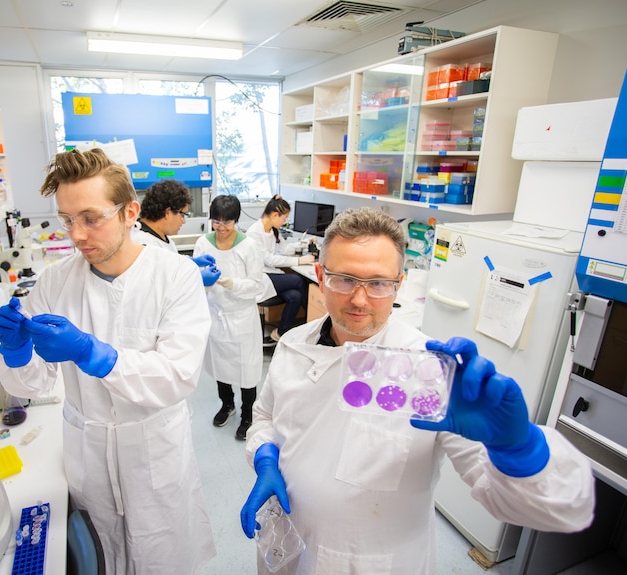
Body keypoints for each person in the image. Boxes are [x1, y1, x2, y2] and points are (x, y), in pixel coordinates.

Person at [239, 206, 594, 574]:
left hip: (365, 561)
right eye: (344, 279)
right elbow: (265, 414)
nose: (360, 300)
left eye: (378, 283)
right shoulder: (294, 342)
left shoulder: (429, 371)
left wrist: (520, 448)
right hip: (285, 542)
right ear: (320, 275)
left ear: (399, 284)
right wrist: (265, 457)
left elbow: (561, 508)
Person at [0, 148, 215, 574]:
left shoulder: (175, 276)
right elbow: (33, 386)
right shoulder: (56, 282)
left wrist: (92, 354)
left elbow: (176, 376)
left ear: (130, 212)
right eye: (67, 220)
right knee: (102, 557)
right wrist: (17, 351)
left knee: (161, 557)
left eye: (91, 218)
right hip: (88, 451)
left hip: (153, 450)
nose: (77, 235)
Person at [193, 195, 266, 440]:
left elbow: (257, 286)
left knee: (246, 369)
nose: (221, 228)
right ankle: (227, 405)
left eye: (227, 223)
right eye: (216, 222)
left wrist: (230, 283)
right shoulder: (203, 242)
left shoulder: (249, 246)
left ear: (236, 220)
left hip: (241, 317)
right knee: (220, 365)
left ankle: (248, 414)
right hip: (215, 314)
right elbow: (195, 278)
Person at [246, 195, 316, 342]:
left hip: (272, 274)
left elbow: (283, 249)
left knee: (295, 296)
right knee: (298, 280)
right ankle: (312, 327)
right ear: (275, 215)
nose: (285, 222)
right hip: (261, 276)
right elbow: (269, 259)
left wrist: (303, 243)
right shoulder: (254, 233)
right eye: (284, 218)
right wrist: (299, 260)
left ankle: (280, 333)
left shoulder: (272, 230)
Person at [131, 178, 220, 286]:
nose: (184, 221)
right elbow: (159, 287)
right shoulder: (142, 244)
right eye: (182, 215)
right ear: (168, 213)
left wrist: (191, 261)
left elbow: (169, 262)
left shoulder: (159, 236)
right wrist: (198, 279)